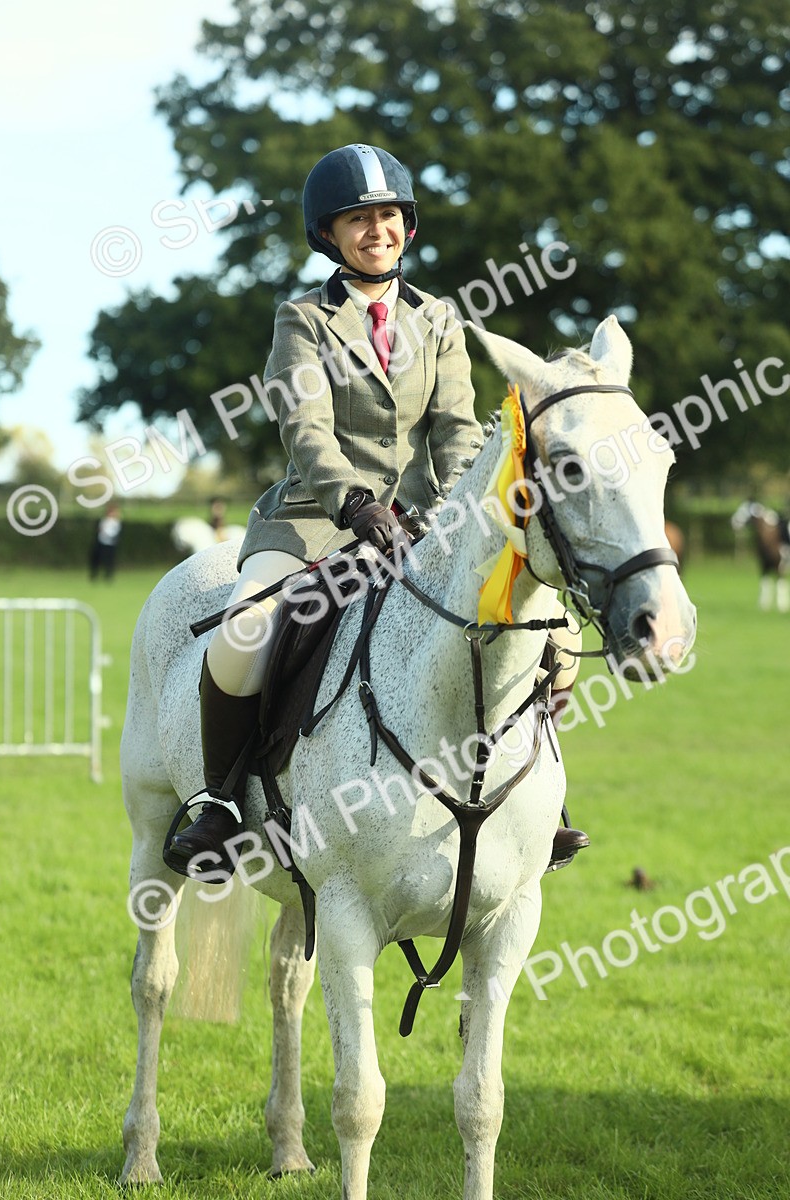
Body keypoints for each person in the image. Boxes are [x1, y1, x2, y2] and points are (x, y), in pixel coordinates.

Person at [164, 142, 587, 879]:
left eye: (387, 215)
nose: (375, 230)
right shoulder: (302, 320)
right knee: (243, 632)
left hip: (423, 519)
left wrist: (455, 509)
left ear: (408, 226)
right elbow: (305, 424)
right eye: (357, 219)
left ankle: (541, 803)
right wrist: (354, 501)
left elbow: (458, 430)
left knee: (554, 634)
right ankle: (222, 803)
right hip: (313, 516)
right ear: (328, 234)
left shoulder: (440, 321)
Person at [89, 503, 122, 580]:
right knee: (97, 559)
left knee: (109, 560)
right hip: (102, 542)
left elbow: (115, 532)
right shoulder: (104, 521)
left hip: (110, 543)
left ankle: (108, 575)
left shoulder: (116, 522)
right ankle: (94, 575)